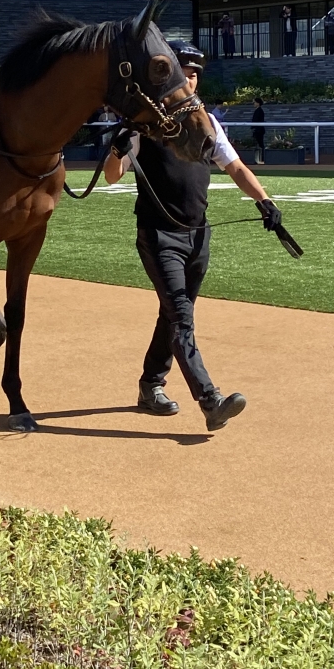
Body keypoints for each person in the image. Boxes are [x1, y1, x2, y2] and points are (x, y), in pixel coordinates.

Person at [102, 39, 283, 431]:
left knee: (174, 316)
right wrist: (116, 151)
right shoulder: (143, 125)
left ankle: (151, 385)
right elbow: (112, 176)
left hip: (198, 235)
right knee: (181, 317)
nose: (190, 78)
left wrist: (264, 201)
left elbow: (235, 168)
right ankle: (210, 399)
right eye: (184, 72)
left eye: (195, 73)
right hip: (158, 234)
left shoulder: (206, 124)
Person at [251, 96, 265, 163]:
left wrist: (255, 129)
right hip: (257, 130)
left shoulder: (259, 111)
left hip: (259, 130)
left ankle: (262, 158)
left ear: (258, 103)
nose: (253, 103)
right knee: (258, 144)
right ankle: (259, 158)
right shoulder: (258, 110)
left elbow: (257, 121)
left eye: (255, 102)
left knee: (260, 144)